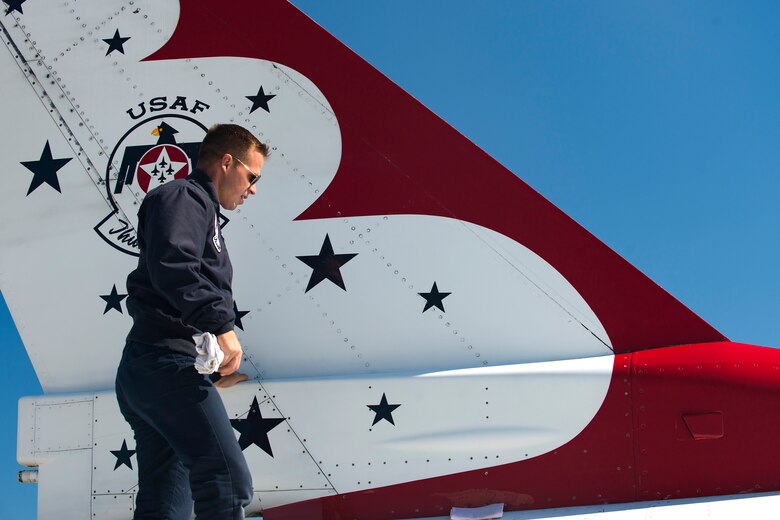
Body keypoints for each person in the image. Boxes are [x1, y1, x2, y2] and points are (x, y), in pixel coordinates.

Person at [115, 123, 268, 519]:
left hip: (156, 368)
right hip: (165, 365)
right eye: (252, 177)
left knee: (166, 503)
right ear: (227, 162)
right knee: (227, 479)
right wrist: (222, 328)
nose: (253, 189)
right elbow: (173, 265)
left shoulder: (201, 209)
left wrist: (211, 364)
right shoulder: (185, 197)